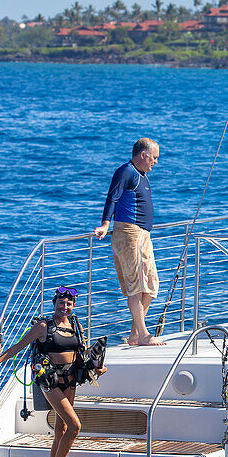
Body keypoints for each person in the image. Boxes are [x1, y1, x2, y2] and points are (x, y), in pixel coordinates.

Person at [0, 287, 101, 457]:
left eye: (69, 304)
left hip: (70, 381)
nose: (65, 307)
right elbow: (17, 347)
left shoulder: (75, 325)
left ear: (73, 306)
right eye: (61, 303)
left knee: (61, 429)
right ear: (54, 304)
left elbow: (83, 352)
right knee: (74, 426)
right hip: (51, 382)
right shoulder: (43, 326)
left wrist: (98, 367)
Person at [94, 137, 165, 347]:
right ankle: (143, 335)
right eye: (154, 157)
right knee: (135, 285)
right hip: (129, 233)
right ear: (143, 155)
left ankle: (135, 334)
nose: (156, 162)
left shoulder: (142, 175)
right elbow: (112, 198)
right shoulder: (126, 171)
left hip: (144, 235)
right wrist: (106, 224)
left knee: (151, 285)